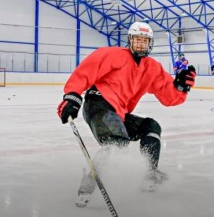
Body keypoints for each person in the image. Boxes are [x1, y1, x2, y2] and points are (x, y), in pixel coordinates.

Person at [56, 21, 196, 206]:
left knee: (151, 127)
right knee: (117, 142)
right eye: (137, 40)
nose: (140, 44)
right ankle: (87, 187)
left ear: (150, 44)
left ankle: (149, 173)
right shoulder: (112, 55)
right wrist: (72, 96)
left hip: (118, 114)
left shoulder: (152, 68)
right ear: (130, 40)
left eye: (144, 41)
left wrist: (180, 87)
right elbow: (86, 72)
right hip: (98, 105)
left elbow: (168, 97)